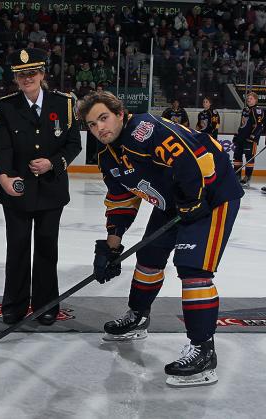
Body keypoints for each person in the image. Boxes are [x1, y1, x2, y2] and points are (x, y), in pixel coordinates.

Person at [78, 91, 243, 387]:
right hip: (175, 201)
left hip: (213, 196)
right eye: (91, 124)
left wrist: (193, 198)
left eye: (103, 118)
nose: (99, 128)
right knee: (150, 258)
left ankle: (203, 351)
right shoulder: (108, 156)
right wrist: (111, 247)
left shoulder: (144, 129)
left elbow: (188, 157)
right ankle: (138, 315)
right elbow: (121, 200)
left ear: (119, 113)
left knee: (193, 269)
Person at [0, 48, 82, 325]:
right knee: (17, 248)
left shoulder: (64, 104)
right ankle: (14, 305)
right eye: (21, 74)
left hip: (51, 189)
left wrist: (53, 164)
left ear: (43, 74)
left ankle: (47, 306)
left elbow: (73, 144)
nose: (27, 78)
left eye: (32, 73)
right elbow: (4, 147)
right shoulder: (7, 105)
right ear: (15, 79)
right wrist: (5, 177)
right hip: (17, 190)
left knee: (47, 249)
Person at [233, 91, 263, 188]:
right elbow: (242, 124)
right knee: (237, 156)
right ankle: (236, 176)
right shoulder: (245, 110)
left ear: (255, 100)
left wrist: (253, 136)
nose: (248, 100)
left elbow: (259, 125)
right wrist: (237, 134)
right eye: (248, 99)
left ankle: (247, 177)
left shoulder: (257, 110)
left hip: (250, 139)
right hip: (241, 138)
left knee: (249, 158)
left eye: (251, 99)